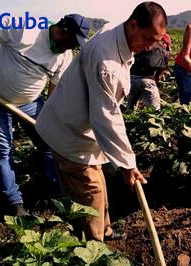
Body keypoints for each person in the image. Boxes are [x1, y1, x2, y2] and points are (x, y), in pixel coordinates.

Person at [35, 2, 167, 242]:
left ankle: (104, 230)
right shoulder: (106, 63)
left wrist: (126, 161)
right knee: (89, 189)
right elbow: (106, 116)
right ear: (134, 25)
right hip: (69, 133)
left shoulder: (119, 35)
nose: (149, 46)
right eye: (147, 39)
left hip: (78, 125)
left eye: (154, 41)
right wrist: (128, 164)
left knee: (98, 183)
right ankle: (93, 247)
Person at [0, 14, 90, 216]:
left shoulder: (64, 56)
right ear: (61, 31)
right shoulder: (26, 27)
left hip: (29, 104)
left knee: (50, 145)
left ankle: (58, 193)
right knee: (2, 152)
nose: (71, 48)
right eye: (72, 42)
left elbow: (54, 88)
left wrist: (52, 117)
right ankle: (15, 204)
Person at [126, 33, 171, 111]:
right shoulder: (164, 53)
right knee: (155, 111)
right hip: (147, 80)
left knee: (130, 107)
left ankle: (128, 120)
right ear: (164, 42)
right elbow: (158, 76)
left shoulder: (140, 45)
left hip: (131, 79)